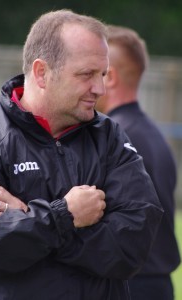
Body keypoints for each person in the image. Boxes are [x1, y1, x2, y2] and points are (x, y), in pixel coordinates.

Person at [0, 10, 163, 300]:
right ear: (42, 73)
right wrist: (64, 216)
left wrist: (27, 216)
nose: (100, 88)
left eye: (102, 74)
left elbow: (132, 247)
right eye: (86, 74)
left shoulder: (110, 139)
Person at [95, 25, 181, 300]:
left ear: (111, 77)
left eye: (96, 72)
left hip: (130, 286)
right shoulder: (155, 136)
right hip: (159, 286)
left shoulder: (112, 137)